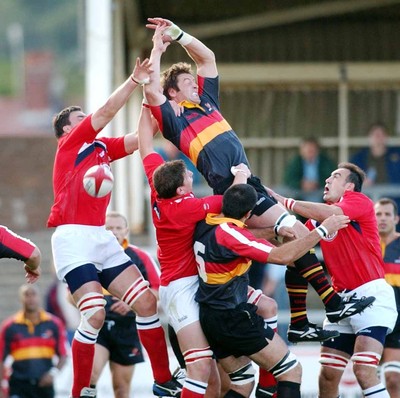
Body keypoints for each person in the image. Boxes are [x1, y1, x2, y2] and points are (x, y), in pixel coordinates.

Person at [143, 18, 373, 345]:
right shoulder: (174, 122)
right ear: (172, 92)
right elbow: (151, 90)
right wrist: (156, 48)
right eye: (185, 80)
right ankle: (328, 305)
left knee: (293, 237)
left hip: (251, 184)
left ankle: (306, 318)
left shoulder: (207, 101)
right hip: (235, 192)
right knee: (295, 235)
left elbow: (207, 58)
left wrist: (179, 35)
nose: (194, 82)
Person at [47, 57, 181, 398]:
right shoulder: (71, 145)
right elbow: (107, 110)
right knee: (92, 314)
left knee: (148, 303)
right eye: (79, 119)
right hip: (72, 236)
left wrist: (159, 100)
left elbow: (142, 136)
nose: (86, 121)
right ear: (67, 129)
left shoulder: (102, 148)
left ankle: (163, 379)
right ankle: (80, 390)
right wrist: (134, 80)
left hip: (100, 236)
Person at [138, 101, 282, 397]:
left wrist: (148, 103)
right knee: (202, 370)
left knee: (268, 306)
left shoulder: (159, 185)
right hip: (181, 288)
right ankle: (173, 378)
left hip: (204, 283)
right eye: (189, 178)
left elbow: (143, 144)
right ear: (180, 190)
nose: (193, 177)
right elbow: (232, 202)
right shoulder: (187, 208)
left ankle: (269, 385)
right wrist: (241, 176)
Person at [193, 183, 351, 398]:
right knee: (291, 370)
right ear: (249, 214)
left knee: (242, 383)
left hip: (210, 314)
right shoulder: (231, 235)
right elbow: (281, 257)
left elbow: (243, 233)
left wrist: (274, 230)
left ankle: (265, 386)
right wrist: (322, 231)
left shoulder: (207, 224)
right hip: (231, 317)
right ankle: (267, 387)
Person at [269, 162, 397, 398]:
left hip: (371, 296)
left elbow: (332, 214)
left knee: (363, 370)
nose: (327, 180)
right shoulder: (319, 220)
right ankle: (300, 323)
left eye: (335, 176)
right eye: (327, 176)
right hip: (340, 302)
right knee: (327, 376)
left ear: (349, 186)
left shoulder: (358, 201)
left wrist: (284, 201)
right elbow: (294, 244)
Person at [89, 211, 161, 398]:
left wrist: (131, 304)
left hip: (128, 328)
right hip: (99, 327)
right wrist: (90, 306)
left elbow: (157, 290)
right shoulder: (90, 256)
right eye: (109, 228)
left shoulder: (140, 256)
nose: (113, 232)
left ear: (126, 230)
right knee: (89, 377)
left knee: (121, 388)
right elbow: (69, 294)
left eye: (118, 228)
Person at [0, 284, 68, 398]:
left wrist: (52, 374)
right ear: (20, 299)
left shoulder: (54, 324)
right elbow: (1, 358)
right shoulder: (9, 326)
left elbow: (63, 355)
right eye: (26, 295)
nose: (30, 298)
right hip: (18, 385)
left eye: (33, 294)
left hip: (44, 386)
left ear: (39, 297)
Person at [374, 198, 400, 398]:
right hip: (370, 320)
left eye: (387, 214)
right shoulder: (365, 244)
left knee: (392, 379)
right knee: (368, 379)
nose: (382, 218)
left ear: (396, 218)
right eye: (378, 214)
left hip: (397, 323)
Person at [284, 136, 336, 202]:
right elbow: (288, 179)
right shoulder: (296, 162)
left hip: (320, 190)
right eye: (306, 148)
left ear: (317, 150)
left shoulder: (326, 161)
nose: (309, 151)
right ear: (301, 150)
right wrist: (301, 184)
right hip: (300, 191)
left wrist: (317, 184)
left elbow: (332, 177)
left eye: (312, 148)